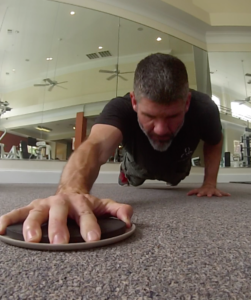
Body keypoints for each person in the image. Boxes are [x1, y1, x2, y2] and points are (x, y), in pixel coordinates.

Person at [0, 53, 230, 245]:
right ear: (134, 102)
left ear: (187, 103)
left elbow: (214, 141)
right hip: (138, 163)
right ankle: (126, 171)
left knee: (175, 177)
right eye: (149, 116)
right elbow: (96, 145)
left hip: (178, 165)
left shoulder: (204, 109)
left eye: (172, 116)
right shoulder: (119, 108)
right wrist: (71, 191)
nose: (160, 129)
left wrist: (209, 183)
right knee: (134, 175)